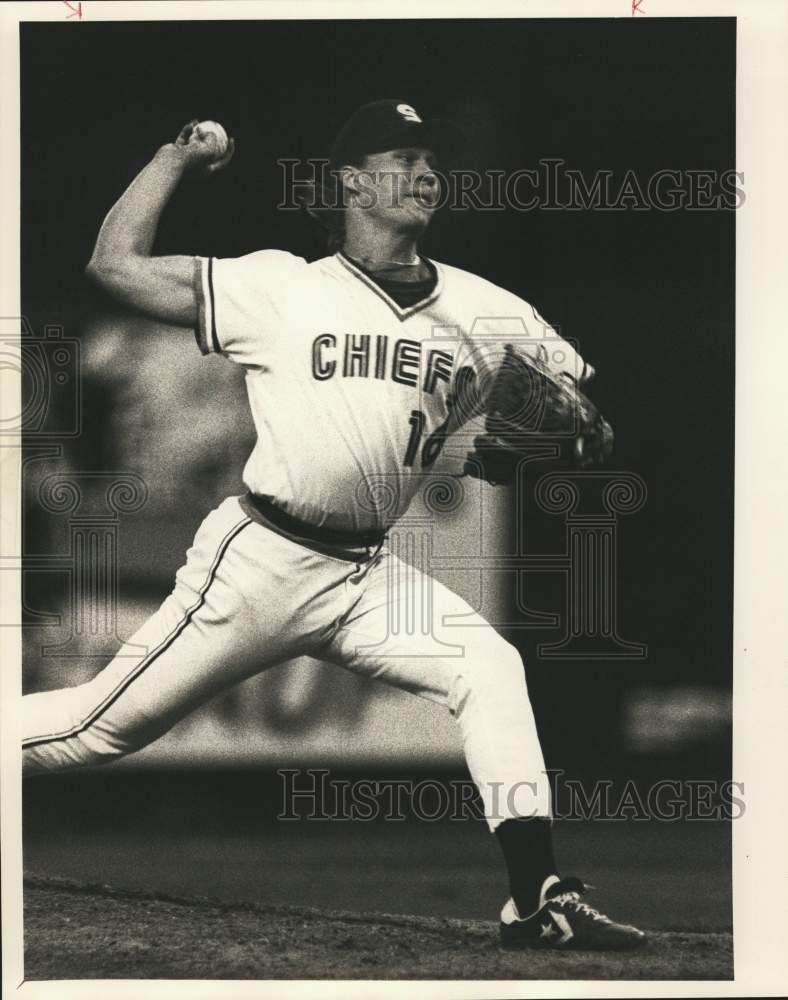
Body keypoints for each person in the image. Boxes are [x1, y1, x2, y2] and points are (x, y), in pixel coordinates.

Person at [22, 100, 645, 950]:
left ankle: (537, 898)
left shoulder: (487, 308)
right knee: (94, 731)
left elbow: (578, 409)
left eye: (433, 160)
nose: (426, 173)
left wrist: (568, 439)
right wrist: (175, 157)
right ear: (352, 181)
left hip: (363, 574)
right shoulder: (280, 285)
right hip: (262, 560)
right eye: (404, 157)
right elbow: (114, 265)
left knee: (487, 666)